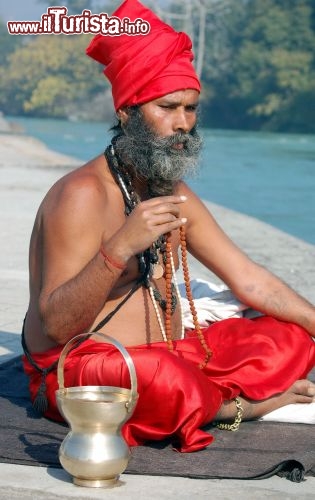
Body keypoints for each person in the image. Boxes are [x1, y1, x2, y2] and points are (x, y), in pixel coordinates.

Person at [22, 0, 315, 453]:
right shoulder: (82, 196)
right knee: (164, 379)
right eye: (168, 107)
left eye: (191, 109)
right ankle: (236, 406)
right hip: (81, 369)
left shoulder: (166, 187)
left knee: (289, 338)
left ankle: (203, 393)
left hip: (175, 350)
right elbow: (58, 328)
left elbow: (247, 276)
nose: (183, 125)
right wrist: (119, 247)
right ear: (127, 111)